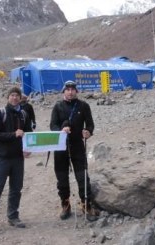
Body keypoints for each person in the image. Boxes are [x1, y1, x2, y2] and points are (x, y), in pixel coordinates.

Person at [0, 87, 32, 239]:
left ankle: (13, 216)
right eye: (12, 95)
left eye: (17, 95)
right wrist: (13, 134)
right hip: (1, 158)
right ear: (8, 97)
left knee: (16, 189)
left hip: (17, 159)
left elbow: (28, 134)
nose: (15, 98)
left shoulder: (23, 114)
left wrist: (28, 148)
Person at [49, 80, 99, 221]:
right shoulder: (57, 107)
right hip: (60, 147)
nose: (70, 92)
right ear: (63, 91)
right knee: (62, 179)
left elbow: (90, 124)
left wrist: (88, 131)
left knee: (82, 176)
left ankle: (86, 204)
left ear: (76, 91)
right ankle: (65, 205)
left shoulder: (83, 106)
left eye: (73, 89)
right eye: (67, 89)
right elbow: (53, 125)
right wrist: (61, 130)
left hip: (77, 145)